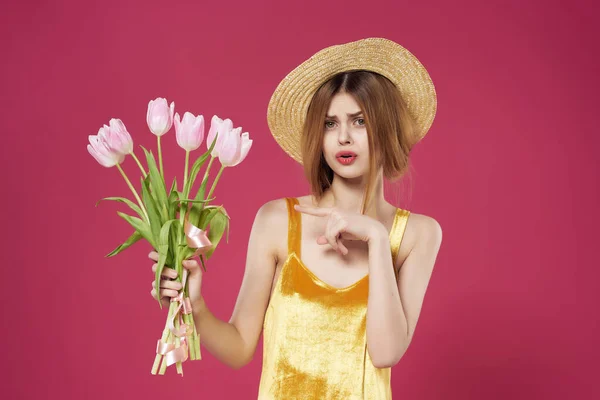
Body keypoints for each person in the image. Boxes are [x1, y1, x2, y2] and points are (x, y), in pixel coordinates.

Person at [149, 37, 443, 399]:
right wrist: (194, 305)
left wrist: (377, 239)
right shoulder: (276, 220)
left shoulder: (416, 234)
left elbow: (385, 353)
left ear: (387, 128)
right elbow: (240, 347)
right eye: (330, 124)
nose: (344, 137)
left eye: (360, 121)